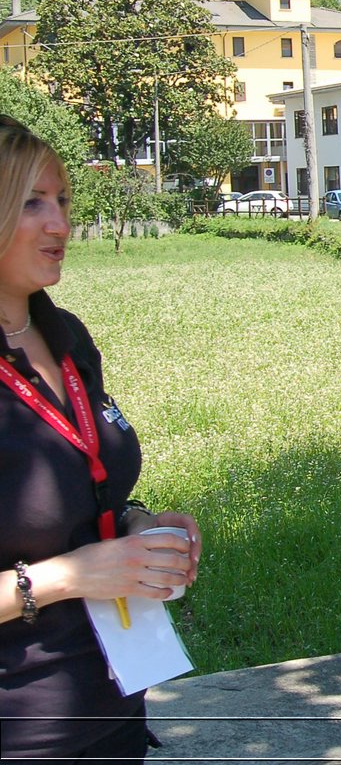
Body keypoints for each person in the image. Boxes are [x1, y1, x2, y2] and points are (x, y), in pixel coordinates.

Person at [0, 116, 201, 761]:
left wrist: (140, 528)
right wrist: (67, 577)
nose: (59, 223)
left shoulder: (68, 338)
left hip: (111, 706)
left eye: (61, 200)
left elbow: (84, 491)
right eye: (32, 202)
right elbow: (65, 561)